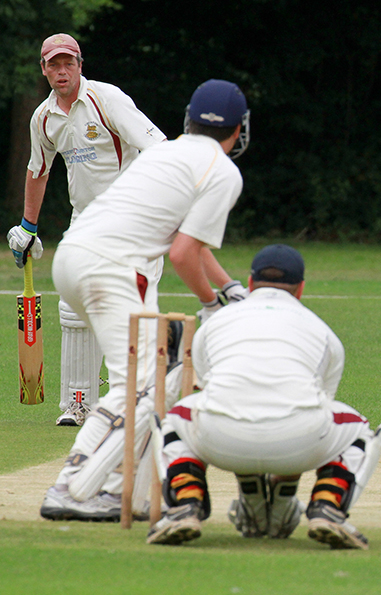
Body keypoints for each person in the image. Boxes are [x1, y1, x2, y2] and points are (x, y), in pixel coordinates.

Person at [38, 78, 251, 524]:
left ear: (189, 119)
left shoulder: (167, 152)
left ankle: (116, 490)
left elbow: (181, 236)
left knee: (145, 382)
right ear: (239, 129)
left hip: (73, 256)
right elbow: (182, 253)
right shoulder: (223, 171)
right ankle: (72, 486)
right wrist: (213, 304)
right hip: (114, 267)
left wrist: (229, 288)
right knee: (141, 385)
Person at [146, 244, 381, 549]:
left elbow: (209, 386)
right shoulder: (323, 332)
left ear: (249, 284)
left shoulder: (216, 324)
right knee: (358, 428)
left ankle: (186, 503)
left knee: (174, 419)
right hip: (300, 440)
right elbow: (321, 401)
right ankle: (328, 505)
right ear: (300, 288)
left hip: (219, 439)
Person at [6, 33, 172, 427]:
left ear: (80, 64)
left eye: (68, 63)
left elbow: (160, 149)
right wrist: (29, 227)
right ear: (44, 69)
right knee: (74, 305)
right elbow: (38, 171)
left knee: (134, 305)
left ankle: (136, 400)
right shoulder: (44, 117)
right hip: (86, 220)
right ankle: (79, 404)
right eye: (53, 65)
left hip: (134, 217)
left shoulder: (107, 98)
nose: (61, 71)